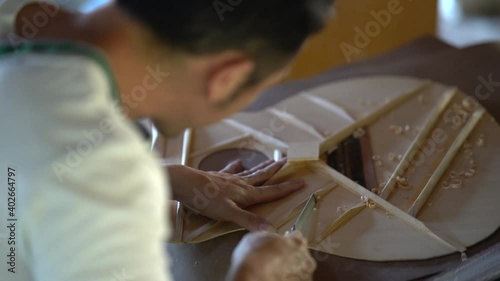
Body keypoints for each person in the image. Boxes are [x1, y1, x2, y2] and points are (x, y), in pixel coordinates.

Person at [0, 0, 333, 280]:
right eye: (259, 90)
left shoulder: (18, 19)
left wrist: (165, 177)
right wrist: (252, 271)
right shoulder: (100, 163)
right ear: (226, 79)